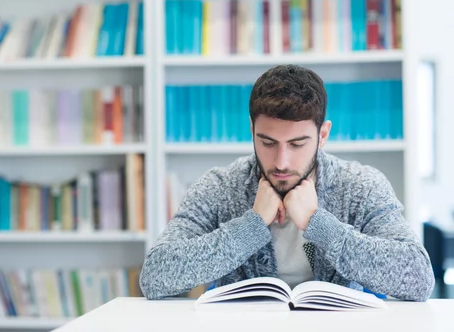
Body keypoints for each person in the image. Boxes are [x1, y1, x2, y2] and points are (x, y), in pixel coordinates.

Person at [139, 64, 434, 302]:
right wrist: (251, 225)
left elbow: (419, 279)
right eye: (267, 142)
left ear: (323, 135)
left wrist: (320, 224)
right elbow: (155, 277)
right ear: (251, 129)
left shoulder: (360, 186)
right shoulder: (219, 187)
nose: (281, 162)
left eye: (297, 144)